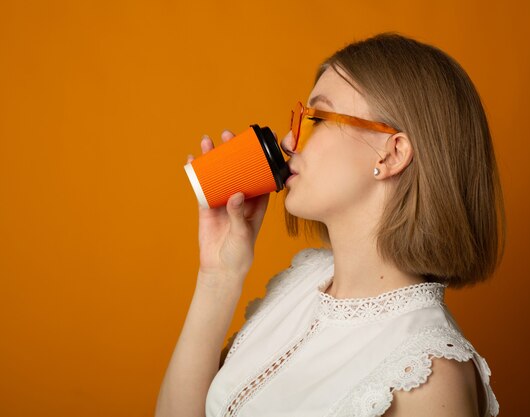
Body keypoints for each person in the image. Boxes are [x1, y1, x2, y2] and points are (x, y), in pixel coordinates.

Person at [155, 32, 505, 417]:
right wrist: (218, 274)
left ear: (392, 154)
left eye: (317, 118)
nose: (290, 140)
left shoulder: (428, 376)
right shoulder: (300, 286)